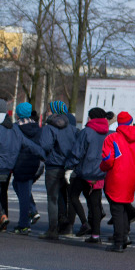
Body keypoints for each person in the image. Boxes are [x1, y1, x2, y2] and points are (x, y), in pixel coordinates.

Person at [0, 99, 44, 241]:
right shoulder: (13, 129)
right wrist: (44, 154)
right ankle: (0, 215)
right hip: (7, 169)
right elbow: (28, 144)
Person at [99, 112, 135, 252]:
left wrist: (102, 167)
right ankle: (124, 236)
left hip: (115, 178)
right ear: (131, 123)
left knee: (117, 211)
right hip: (131, 179)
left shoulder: (112, 138)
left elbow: (107, 160)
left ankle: (119, 241)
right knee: (124, 207)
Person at [68, 108, 111, 242]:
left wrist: (69, 166)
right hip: (100, 172)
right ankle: (96, 235)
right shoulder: (107, 133)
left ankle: (84, 223)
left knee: (73, 196)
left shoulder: (87, 132)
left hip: (84, 171)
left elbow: (77, 151)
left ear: (91, 118)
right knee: (95, 204)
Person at [37, 100, 76, 240]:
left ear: (54, 111)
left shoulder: (49, 128)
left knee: (52, 199)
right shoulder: (71, 128)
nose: (47, 112)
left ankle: (52, 230)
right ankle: (65, 227)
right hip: (68, 167)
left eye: (49, 110)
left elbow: (45, 146)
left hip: (53, 166)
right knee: (65, 197)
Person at [11, 103, 43, 234]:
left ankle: (24, 224)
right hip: (35, 163)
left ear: (18, 113)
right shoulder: (38, 128)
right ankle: (32, 209)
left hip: (20, 163)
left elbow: (13, 146)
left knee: (23, 194)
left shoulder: (15, 128)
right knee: (19, 186)